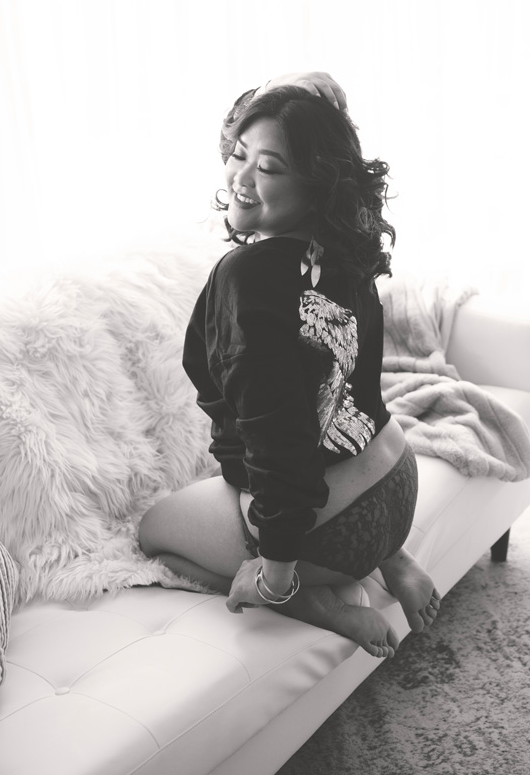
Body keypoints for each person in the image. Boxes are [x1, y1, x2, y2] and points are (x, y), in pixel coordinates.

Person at [139, 71, 440, 658]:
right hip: (396, 480)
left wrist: (276, 572)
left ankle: (312, 600)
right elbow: (345, 389)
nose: (240, 179)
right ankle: (393, 560)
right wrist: (289, 92)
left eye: (269, 169)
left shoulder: (246, 277)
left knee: (154, 535)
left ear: (315, 183)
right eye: (238, 156)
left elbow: (277, 436)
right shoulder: (347, 252)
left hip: (328, 527)